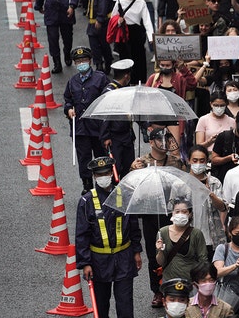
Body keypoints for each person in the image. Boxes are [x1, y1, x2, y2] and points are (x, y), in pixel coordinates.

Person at [75, 157, 143, 318]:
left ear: (112, 174)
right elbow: (82, 234)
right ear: (94, 177)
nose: (104, 177)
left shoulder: (124, 195)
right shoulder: (87, 201)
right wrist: (85, 263)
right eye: (100, 175)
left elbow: (133, 226)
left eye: (106, 173)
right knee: (101, 305)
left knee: (125, 305)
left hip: (124, 256)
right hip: (99, 259)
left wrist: (136, 251)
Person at [130, 127, 185, 308]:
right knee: (155, 253)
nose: (164, 142)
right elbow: (131, 189)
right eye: (159, 139)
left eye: (167, 138)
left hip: (172, 212)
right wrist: (133, 170)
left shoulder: (176, 162)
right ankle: (157, 290)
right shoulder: (142, 162)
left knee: (175, 250)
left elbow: (185, 185)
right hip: (150, 213)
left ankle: (174, 288)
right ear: (151, 142)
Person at [63, 46, 110, 195]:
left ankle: (104, 184)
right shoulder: (72, 82)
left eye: (83, 60)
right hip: (80, 128)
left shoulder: (100, 78)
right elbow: (67, 100)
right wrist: (69, 109)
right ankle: (87, 185)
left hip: (98, 128)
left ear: (90, 61)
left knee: (101, 156)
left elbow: (108, 98)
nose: (81, 63)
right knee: (84, 158)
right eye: (78, 61)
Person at [187, 145, 229, 258]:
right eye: (195, 160)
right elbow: (174, 210)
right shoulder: (180, 184)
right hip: (188, 238)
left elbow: (223, 207)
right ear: (189, 160)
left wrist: (210, 193)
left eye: (202, 160)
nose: (198, 164)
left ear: (207, 161)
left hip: (212, 238)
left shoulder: (214, 182)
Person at [155, 197, 208, 282]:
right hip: (169, 281)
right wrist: (160, 250)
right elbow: (160, 262)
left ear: (190, 214)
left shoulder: (196, 234)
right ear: (172, 213)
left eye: (184, 212)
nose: (180, 214)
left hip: (191, 282)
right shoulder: (162, 232)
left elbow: (203, 260)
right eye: (177, 211)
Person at [99, 59, 136, 179]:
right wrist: (105, 136)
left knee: (129, 167)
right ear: (126, 76)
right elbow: (104, 116)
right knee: (115, 168)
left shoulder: (125, 89)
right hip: (115, 137)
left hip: (127, 135)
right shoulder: (110, 92)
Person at [111, 0, 154, 85]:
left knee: (139, 59)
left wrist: (151, 37)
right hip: (124, 33)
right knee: (125, 59)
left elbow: (147, 21)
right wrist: (119, 21)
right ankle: (124, 83)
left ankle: (140, 83)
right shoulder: (120, 1)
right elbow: (113, 17)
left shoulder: (141, 2)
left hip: (137, 33)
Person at [210, 109, 239, 182]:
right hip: (226, 178)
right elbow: (214, 160)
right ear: (235, 122)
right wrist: (228, 158)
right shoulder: (224, 137)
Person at [34, 0, 76, 73]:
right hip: (51, 10)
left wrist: (72, 6)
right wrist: (39, 5)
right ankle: (57, 63)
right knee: (52, 39)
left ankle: (67, 52)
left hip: (65, 10)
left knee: (68, 38)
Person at [86, 0, 114, 73]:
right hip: (93, 21)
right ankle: (99, 65)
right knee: (94, 44)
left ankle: (107, 63)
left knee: (103, 44)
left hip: (101, 22)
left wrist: (100, 19)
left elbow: (103, 3)